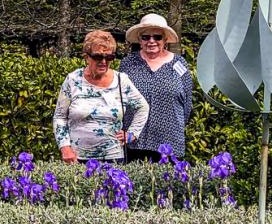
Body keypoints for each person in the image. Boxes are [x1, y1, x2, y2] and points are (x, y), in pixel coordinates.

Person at [53, 30, 149, 163]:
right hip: (76, 158)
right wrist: (65, 148)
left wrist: (132, 133)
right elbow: (60, 117)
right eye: (98, 57)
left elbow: (143, 107)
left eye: (109, 57)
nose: (103, 61)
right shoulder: (73, 80)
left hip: (113, 157)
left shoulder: (122, 81)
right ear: (86, 57)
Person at [119, 13, 193, 162]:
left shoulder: (180, 64)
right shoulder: (128, 64)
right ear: (139, 40)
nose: (151, 41)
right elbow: (120, 99)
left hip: (169, 142)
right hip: (134, 142)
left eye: (157, 37)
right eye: (146, 37)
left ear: (165, 40)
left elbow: (187, 104)